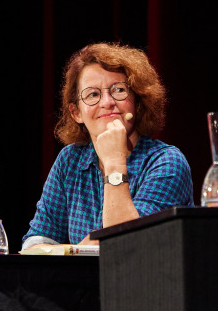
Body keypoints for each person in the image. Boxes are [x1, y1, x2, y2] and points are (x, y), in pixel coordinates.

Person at [23, 43, 193, 248]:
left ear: (137, 103)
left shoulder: (166, 162)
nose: (107, 102)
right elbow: (34, 244)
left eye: (119, 90)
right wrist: (81, 249)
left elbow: (125, 246)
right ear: (77, 113)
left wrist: (114, 161)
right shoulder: (69, 160)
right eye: (93, 94)